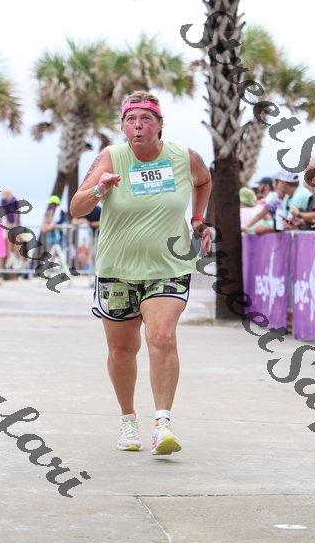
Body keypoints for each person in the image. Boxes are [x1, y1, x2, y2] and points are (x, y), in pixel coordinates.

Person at [70, 90, 212, 455]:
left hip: (169, 265)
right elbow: (76, 207)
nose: (138, 126)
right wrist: (99, 189)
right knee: (122, 350)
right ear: (123, 126)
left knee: (162, 336)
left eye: (146, 119)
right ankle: (128, 419)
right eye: (130, 120)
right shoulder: (111, 157)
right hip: (117, 269)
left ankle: (162, 423)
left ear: (160, 125)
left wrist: (198, 219)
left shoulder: (183, 157)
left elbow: (203, 181)